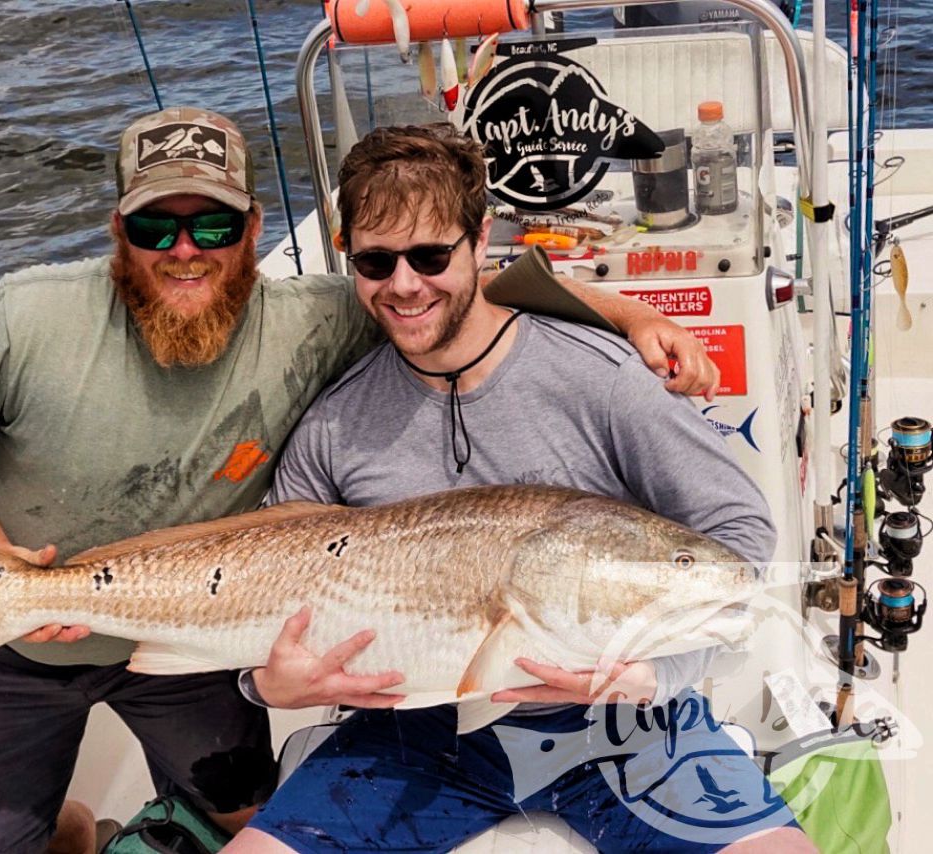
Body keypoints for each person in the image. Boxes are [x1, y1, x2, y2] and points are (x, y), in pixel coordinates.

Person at [0, 107, 717, 854]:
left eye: (214, 226)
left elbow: (456, 287)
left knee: (248, 815)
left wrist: (629, 314)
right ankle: (66, 828)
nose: (187, 251)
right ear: (116, 230)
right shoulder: (22, 315)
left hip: (194, 632)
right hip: (11, 646)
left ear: (253, 226)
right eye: (156, 228)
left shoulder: (323, 315)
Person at [226, 124, 815, 853]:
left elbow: (740, 536)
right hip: (413, 735)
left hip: (619, 730)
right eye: (376, 261)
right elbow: (267, 595)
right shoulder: (333, 425)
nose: (404, 284)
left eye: (431, 255)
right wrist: (267, 686)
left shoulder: (602, 379)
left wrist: (658, 675)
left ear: (479, 243)